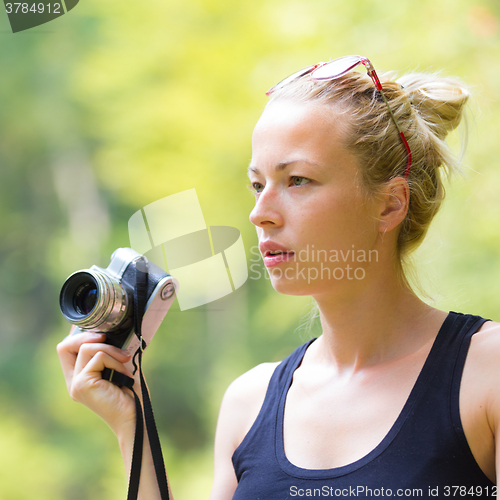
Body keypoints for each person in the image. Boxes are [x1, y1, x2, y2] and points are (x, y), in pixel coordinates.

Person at [57, 55, 500, 499]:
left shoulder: (486, 374)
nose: (260, 213)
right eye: (257, 184)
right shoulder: (248, 405)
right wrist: (133, 424)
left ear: (389, 204)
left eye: (298, 180)